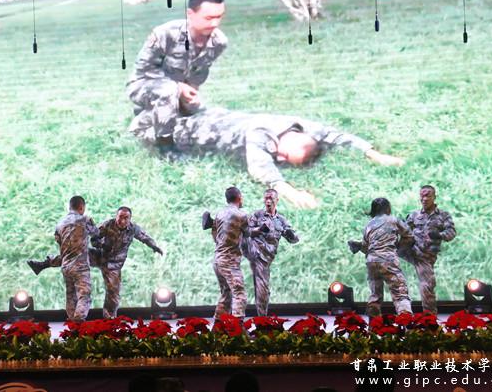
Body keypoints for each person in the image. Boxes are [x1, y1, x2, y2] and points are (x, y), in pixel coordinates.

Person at [170, 107, 404, 209]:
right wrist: (292, 193)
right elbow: (260, 168)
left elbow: (337, 136)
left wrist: (375, 155)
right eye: (285, 153)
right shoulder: (260, 132)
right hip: (196, 132)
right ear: (289, 138)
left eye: (286, 159)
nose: (280, 158)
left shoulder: (301, 129)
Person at [127, 0, 228, 150]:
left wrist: (190, 98)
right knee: (169, 91)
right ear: (190, 14)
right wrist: (178, 87)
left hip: (176, 91)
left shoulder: (218, 42)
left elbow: (197, 76)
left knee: (200, 114)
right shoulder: (165, 33)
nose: (215, 23)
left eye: (219, 17)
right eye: (209, 18)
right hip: (143, 85)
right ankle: (166, 146)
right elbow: (144, 71)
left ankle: (143, 122)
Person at [28, 206, 163, 319]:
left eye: (126, 218)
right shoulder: (108, 224)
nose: (122, 220)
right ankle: (44, 264)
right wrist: (100, 245)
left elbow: (144, 237)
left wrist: (154, 246)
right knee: (75, 254)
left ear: (130, 219)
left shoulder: (133, 229)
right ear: (116, 216)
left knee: (113, 295)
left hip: (114, 265)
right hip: (100, 255)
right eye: (120, 217)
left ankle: (109, 320)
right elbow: (95, 237)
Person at [348, 197, 413, 317]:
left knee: (375, 295)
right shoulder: (393, 220)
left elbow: (366, 247)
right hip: (388, 260)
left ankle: (374, 321)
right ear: (388, 208)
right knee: (400, 292)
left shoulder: (369, 224)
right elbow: (409, 236)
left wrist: (358, 245)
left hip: (371, 261)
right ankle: (406, 320)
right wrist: (399, 247)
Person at [399, 185, 456, 314]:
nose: (424, 199)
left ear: (434, 197)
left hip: (425, 256)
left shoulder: (443, 215)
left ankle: (429, 317)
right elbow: (404, 230)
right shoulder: (414, 215)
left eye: (428, 196)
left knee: (427, 285)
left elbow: (451, 233)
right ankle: (365, 246)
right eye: (422, 196)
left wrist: (439, 235)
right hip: (410, 250)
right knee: (385, 246)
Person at [243, 188, 300, 316]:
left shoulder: (281, 220)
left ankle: (262, 317)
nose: (268, 201)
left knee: (263, 288)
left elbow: (294, 239)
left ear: (277, 200)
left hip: (267, 257)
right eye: (266, 198)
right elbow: (247, 232)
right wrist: (259, 229)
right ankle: (262, 320)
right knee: (262, 288)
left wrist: (291, 235)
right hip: (255, 251)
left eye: (271, 198)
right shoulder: (258, 215)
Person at [55, 195, 99, 322]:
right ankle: (78, 322)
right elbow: (96, 233)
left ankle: (71, 325)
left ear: (69, 207)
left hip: (66, 266)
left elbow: (58, 241)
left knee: (71, 296)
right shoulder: (84, 220)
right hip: (80, 266)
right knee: (84, 295)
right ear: (81, 207)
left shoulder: (60, 223)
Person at [210, 186, 249, 319]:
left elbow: (214, 235)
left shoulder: (219, 214)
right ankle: (238, 326)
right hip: (229, 262)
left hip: (217, 260)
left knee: (226, 293)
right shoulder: (241, 215)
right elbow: (249, 233)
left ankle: (218, 326)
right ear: (239, 198)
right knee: (239, 294)